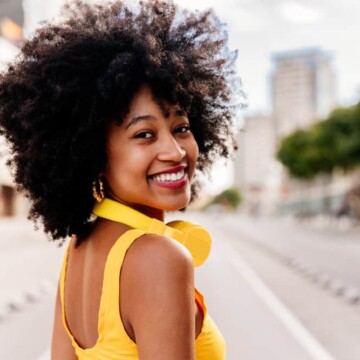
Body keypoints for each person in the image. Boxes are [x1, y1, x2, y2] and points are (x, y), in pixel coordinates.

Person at [0, 0, 241, 358]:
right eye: (144, 134)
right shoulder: (159, 257)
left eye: (181, 127)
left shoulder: (79, 250)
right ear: (93, 155)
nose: (175, 152)